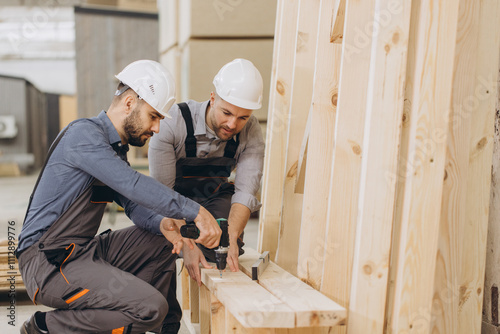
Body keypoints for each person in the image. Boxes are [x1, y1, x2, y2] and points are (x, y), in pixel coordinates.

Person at [17, 60, 222, 334]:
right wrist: (195, 210)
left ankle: (165, 328)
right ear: (129, 102)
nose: (157, 128)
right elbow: (132, 184)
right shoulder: (84, 135)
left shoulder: (114, 149)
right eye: (154, 116)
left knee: (165, 236)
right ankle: (46, 327)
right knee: (149, 308)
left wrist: (163, 224)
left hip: (82, 251)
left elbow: (133, 203)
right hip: (48, 262)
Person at [148, 58, 265, 286]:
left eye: (243, 117)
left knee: (219, 247)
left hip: (215, 198)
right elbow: (162, 194)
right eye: (226, 113)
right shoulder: (173, 123)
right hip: (175, 200)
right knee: (164, 249)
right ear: (213, 98)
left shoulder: (250, 131)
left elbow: (245, 192)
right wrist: (187, 242)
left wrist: (231, 235)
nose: (232, 124)